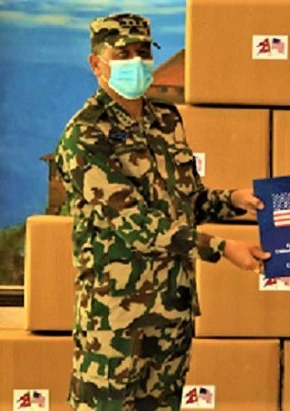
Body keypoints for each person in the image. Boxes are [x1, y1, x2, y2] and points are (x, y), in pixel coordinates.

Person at [55, 13, 269, 411]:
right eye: (123, 54)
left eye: (142, 53)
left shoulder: (166, 120)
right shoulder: (85, 135)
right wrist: (222, 247)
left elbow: (186, 201)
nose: (135, 63)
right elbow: (136, 224)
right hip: (115, 322)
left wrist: (234, 200)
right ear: (96, 64)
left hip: (172, 310)